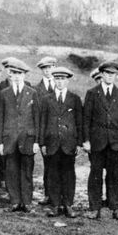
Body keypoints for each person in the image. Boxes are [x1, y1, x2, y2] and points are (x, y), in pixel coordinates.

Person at [83, 61, 118, 221]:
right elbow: (86, 119)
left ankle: (115, 207)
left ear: (116, 76)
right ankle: (94, 207)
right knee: (95, 174)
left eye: (113, 74)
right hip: (97, 141)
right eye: (107, 73)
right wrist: (86, 140)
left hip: (114, 141)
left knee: (114, 175)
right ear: (101, 74)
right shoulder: (92, 93)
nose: (110, 76)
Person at [0, 58, 40, 213]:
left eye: (19, 73)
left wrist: (36, 141)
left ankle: (26, 202)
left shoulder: (32, 93)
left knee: (27, 171)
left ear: (24, 75)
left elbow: (36, 118)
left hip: (27, 139)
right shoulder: (4, 93)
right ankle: (15, 201)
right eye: (14, 73)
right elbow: (0, 118)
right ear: (10, 74)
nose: (16, 76)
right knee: (11, 170)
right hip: (9, 139)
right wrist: (1, 141)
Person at [39, 66, 82, 218]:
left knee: (69, 174)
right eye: (57, 78)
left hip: (68, 144)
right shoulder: (46, 99)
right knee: (53, 175)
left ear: (67, 80)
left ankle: (68, 205)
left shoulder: (74, 99)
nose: (60, 82)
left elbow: (79, 122)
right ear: (54, 80)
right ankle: (56, 205)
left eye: (63, 79)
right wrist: (42, 143)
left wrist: (78, 143)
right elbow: (42, 122)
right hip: (52, 144)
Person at [35, 56, 57, 206]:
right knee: (48, 165)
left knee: (61, 164)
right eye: (44, 68)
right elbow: (37, 115)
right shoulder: (37, 89)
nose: (48, 71)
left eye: (50, 67)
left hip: (60, 133)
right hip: (46, 132)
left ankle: (60, 195)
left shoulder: (61, 84)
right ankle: (48, 194)